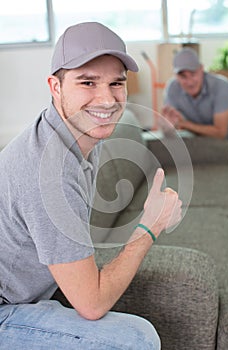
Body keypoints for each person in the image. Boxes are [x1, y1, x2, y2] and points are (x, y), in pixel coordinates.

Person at [0, 22, 182, 349]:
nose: (107, 99)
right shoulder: (49, 171)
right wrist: (149, 228)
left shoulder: (82, 139)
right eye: (88, 82)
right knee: (135, 340)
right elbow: (92, 304)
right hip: (5, 308)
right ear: (55, 86)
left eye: (116, 83)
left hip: (27, 293)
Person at [162, 47, 228, 150]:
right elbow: (170, 127)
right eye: (183, 76)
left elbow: (221, 132)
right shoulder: (172, 88)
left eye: (193, 74)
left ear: (201, 69)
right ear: (176, 75)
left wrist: (184, 124)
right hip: (197, 137)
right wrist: (168, 125)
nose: (190, 82)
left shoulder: (221, 86)